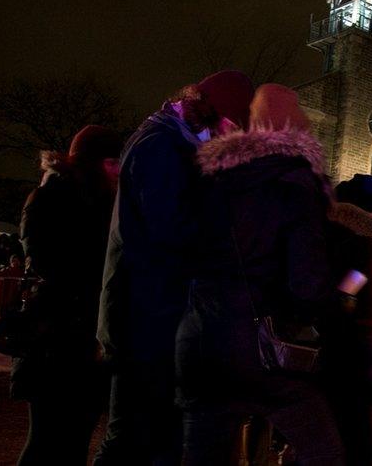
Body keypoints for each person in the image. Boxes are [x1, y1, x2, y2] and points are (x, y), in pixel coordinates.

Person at [176, 83, 343, 464]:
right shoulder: (295, 182)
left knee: (203, 455)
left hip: (202, 341)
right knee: (324, 451)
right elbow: (308, 281)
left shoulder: (208, 177)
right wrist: (331, 309)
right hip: (262, 346)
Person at [96, 71, 254, 466]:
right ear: (210, 112)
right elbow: (170, 230)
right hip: (145, 316)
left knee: (152, 436)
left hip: (157, 311)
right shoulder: (161, 146)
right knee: (134, 437)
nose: (232, 137)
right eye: (233, 125)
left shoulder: (176, 144)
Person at [13, 125, 123, 465]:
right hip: (59, 336)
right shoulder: (60, 200)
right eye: (115, 163)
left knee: (69, 437)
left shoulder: (70, 198)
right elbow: (51, 264)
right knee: (50, 438)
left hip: (71, 334)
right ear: (101, 163)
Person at [328, 174, 372, 461]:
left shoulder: (335, 238)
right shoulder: (364, 249)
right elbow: (361, 309)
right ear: (369, 211)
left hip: (334, 360)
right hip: (354, 365)